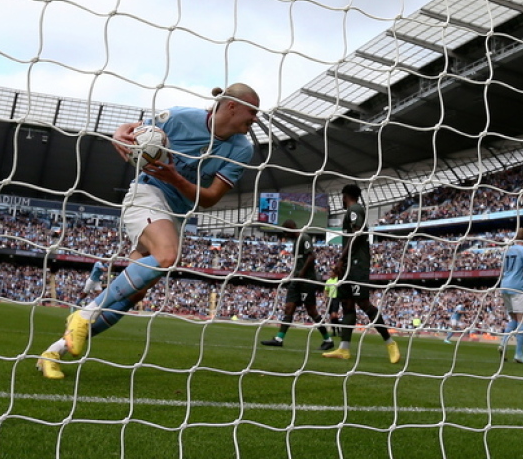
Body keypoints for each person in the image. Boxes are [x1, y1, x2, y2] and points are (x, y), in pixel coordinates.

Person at [37, 83, 260, 379]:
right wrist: (120, 132)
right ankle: (82, 316)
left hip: (177, 214)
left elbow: (210, 199)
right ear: (231, 106)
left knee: (133, 293)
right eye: (252, 111)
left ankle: (53, 352)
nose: (255, 119)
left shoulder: (242, 148)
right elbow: (135, 130)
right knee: (167, 256)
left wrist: (177, 178)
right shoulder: (180, 118)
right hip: (147, 194)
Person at [322, 183, 401, 363]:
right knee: (347, 306)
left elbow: (357, 234)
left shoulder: (355, 209)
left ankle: (390, 343)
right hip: (349, 265)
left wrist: (341, 259)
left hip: (357, 265)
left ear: (345, 195)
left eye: (341, 197)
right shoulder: (351, 211)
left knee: (364, 304)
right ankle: (344, 349)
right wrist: (342, 262)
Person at [261, 220, 334, 350]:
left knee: (312, 311)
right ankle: (279, 339)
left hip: (306, 280)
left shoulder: (304, 237)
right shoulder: (295, 242)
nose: (284, 234)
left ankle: (328, 339)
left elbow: (312, 256)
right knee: (288, 308)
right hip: (296, 280)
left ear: (291, 228)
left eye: (285, 231)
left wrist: (302, 273)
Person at [497, 228, 523, 364]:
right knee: (522, 319)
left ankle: (503, 342)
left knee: (513, 317)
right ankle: (519, 353)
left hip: (505, 285)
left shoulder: (507, 250)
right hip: (518, 286)